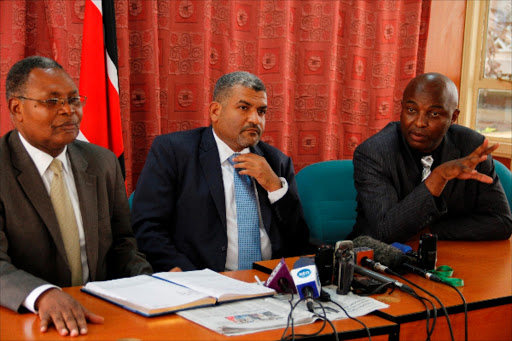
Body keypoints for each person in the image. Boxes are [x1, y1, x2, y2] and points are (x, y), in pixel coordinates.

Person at [0, 56, 152, 336]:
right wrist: (42, 294)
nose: (69, 111)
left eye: (73, 99)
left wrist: (149, 283)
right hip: (29, 319)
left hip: (100, 315)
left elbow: (122, 244)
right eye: (52, 101)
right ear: (17, 108)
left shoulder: (102, 162)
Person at [132, 71, 310, 272]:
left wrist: (275, 187)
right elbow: (148, 228)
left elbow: (300, 241)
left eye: (261, 111)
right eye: (244, 108)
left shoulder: (276, 162)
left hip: (269, 282)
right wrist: (186, 275)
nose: (255, 119)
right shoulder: (174, 152)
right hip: (201, 281)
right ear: (215, 111)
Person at [348, 72, 512, 243]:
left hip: (448, 255)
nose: (419, 122)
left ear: (453, 117)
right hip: (375, 259)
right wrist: (438, 178)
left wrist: (430, 231)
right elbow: (386, 231)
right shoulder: (374, 153)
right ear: (402, 108)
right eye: (411, 110)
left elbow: (502, 222)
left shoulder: (471, 147)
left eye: (434, 114)